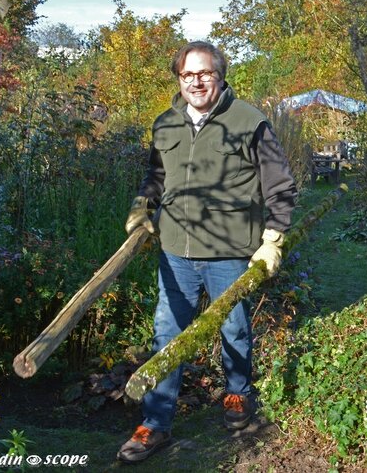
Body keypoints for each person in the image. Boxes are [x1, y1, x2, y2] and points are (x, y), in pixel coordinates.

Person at [117, 41, 297, 463]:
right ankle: (155, 423)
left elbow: (280, 185)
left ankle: (237, 395)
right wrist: (143, 204)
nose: (196, 81)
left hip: (230, 251)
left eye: (204, 73)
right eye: (187, 75)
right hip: (175, 249)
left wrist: (273, 238)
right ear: (179, 79)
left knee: (233, 328)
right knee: (168, 335)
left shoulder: (250, 121)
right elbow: (157, 174)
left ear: (220, 74)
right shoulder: (166, 124)